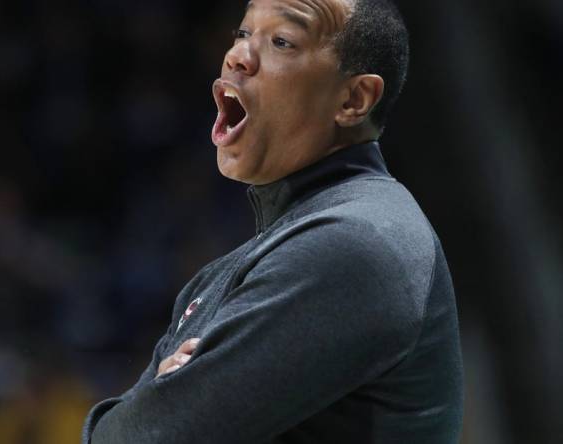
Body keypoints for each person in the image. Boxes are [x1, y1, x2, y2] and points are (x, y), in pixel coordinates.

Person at [82, 0, 464, 442]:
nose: (238, 56)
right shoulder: (225, 275)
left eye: (282, 41)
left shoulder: (356, 241)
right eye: (242, 34)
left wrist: (152, 400)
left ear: (354, 99)